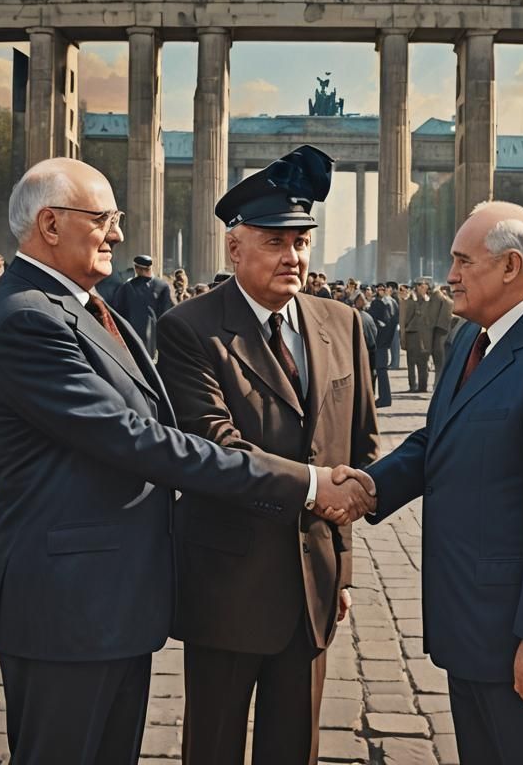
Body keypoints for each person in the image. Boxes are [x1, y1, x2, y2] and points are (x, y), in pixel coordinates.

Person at [0, 157, 375, 765]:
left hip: (110, 603)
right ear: (50, 224)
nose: (118, 234)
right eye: (103, 219)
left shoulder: (83, 309)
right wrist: (312, 484)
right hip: (69, 605)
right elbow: (144, 442)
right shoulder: (31, 317)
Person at [357, 201, 523, 765]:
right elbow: (436, 441)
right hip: (475, 625)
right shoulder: (473, 340)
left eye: (463, 261)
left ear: (511, 266)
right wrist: (370, 488)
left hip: (522, 634)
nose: (449, 275)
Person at [155, 146, 379, 765]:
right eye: (276, 241)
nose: (294, 257)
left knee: (294, 749)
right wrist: (314, 486)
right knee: (215, 748)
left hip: (312, 586)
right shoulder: (190, 328)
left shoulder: (343, 322)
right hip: (228, 585)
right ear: (235, 249)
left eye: (302, 241)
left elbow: (357, 453)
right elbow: (213, 448)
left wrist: (342, 567)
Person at [111, 254, 173, 359]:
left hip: (131, 336)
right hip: (153, 340)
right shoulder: (162, 286)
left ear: (137, 268)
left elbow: (117, 311)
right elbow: (166, 314)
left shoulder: (127, 287)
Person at [369, 282, 398, 408]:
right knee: (381, 371)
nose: (380, 291)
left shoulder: (379, 303)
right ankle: (384, 397)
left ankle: (384, 398)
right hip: (384, 340)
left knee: (381, 370)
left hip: (381, 341)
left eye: (382, 289)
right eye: (379, 289)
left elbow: (385, 322)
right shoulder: (391, 302)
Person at [402, 280, 432, 392]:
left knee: (423, 362)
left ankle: (423, 386)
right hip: (413, 334)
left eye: (424, 286)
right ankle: (412, 385)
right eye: (420, 286)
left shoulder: (429, 300)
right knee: (411, 362)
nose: (422, 288)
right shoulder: (411, 301)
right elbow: (406, 318)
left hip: (425, 336)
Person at [427, 282, 454, 376]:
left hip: (440, 330)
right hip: (446, 331)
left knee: (439, 362)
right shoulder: (449, 300)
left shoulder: (437, 297)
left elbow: (432, 317)